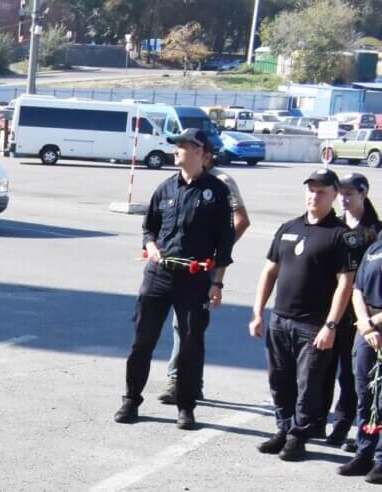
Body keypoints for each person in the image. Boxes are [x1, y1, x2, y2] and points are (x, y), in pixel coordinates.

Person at [115, 129, 235, 430]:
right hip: (158, 275)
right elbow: (149, 228)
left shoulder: (216, 192)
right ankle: (131, 399)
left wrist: (217, 283)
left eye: (183, 146)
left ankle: (186, 406)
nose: (177, 150)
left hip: (194, 279)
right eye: (176, 146)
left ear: (200, 152)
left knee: (191, 345)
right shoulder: (165, 187)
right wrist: (151, 246)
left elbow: (225, 244)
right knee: (142, 341)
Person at [249, 168, 363, 461]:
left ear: (334, 195)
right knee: (279, 379)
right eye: (311, 190)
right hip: (280, 319)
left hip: (312, 325)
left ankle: (298, 436)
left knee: (308, 384)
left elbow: (346, 284)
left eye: (322, 191)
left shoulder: (340, 236)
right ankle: (283, 428)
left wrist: (331, 324)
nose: (314, 196)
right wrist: (258, 312)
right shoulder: (288, 227)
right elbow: (269, 271)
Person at [159, 140, 250, 405]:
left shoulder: (221, 181)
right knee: (182, 323)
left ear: (205, 155)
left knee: (188, 325)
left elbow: (241, 220)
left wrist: (218, 252)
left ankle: (180, 380)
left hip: (203, 266)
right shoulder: (180, 179)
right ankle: (188, 381)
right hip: (177, 262)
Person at [327, 173, 380, 448]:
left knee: (352, 376)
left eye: (350, 193)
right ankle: (318, 421)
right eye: (341, 193)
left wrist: (367, 319)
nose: (344, 199)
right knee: (324, 371)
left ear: (363, 193)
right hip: (331, 311)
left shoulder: (375, 232)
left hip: (360, 317)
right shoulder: (333, 226)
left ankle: (348, 428)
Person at [343, 225, 382, 481]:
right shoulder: (375, 246)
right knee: (364, 393)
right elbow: (357, 288)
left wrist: (374, 323)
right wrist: (365, 323)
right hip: (366, 327)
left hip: (375, 324)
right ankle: (364, 450)